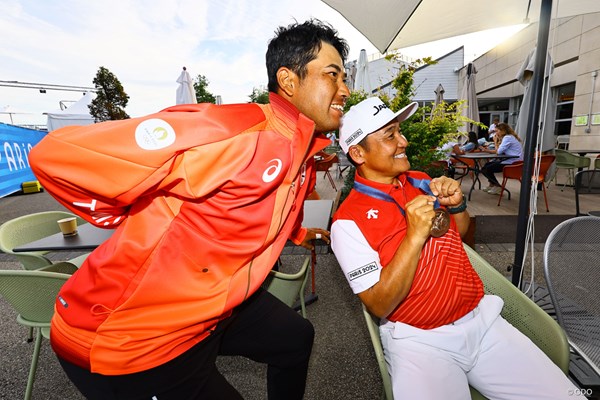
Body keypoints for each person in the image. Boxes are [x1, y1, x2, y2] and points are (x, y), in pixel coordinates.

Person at [29, 19, 348, 400]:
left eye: (346, 78)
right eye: (333, 75)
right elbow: (55, 155)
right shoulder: (232, 130)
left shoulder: (303, 153)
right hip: (132, 340)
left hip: (214, 311)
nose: (345, 90)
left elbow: (268, 208)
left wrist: (299, 233)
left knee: (295, 337)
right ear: (289, 80)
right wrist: (123, 213)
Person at [330, 97, 583, 400]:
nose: (403, 141)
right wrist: (413, 236)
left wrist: (458, 205)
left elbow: (459, 234)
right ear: (358, 153)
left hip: (482, 321)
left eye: (400, 131)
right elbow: (379, 304)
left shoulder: (422, 181)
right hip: (419, 341)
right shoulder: (347, 223)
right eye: (390, 135)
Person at [480, 122, 523, 195]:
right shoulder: (510, 137)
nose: (495, 133)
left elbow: (499, 151)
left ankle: (497, 186)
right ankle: (492, 185)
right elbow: (499, 151)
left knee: (487, 169)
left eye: (497, 131)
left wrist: (495, 141)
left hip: (513, 163)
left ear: (503, 130)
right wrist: (487, 150)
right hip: (515, 161)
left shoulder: (507, 138)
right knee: (487, 165)